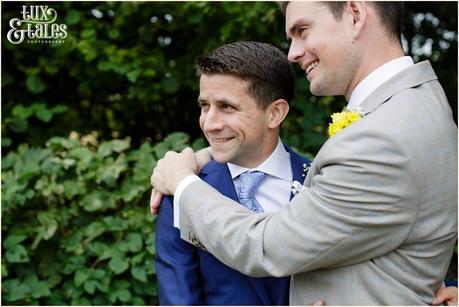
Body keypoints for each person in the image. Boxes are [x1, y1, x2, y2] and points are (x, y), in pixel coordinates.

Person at [151, 2, 458, 305]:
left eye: (303, 30)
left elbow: (265, 246)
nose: (292, 53)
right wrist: (208, 154)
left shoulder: (380, 138)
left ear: (354, 14)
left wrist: (180, 182)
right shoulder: (419, 108)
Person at [155, 41, 311, 305]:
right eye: (205, 106)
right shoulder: (181, 191)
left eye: (227, 107)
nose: (210, 123)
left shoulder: (319, 182)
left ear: (275, 113)